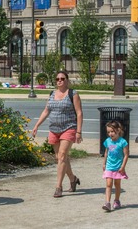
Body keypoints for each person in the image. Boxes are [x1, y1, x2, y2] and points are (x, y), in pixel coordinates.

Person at [32, 70, 83, 198]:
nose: (59, 81)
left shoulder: (73, 94)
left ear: (67, 80)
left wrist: (78, 131)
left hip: (69, 128)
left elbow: (79, 113)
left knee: (62, 156)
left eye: (62, 79)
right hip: (54, 129)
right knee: (60, 158)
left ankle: (58, 187)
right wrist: (37, 125)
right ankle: (73, 179)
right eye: (57, 79)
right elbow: (46, 111)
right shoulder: (52, 94)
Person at [102, 120, 129, 212]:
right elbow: (106, 153)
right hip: (109, 166)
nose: (110, 134)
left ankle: (117, 200)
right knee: (108, 184)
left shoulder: (123, 142)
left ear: (118, 130)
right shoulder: (107, 141)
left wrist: (123, 166)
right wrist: (104, 163)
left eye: (112, 131)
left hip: (118, 167)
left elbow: (126, 155)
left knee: (117, 184)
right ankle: (107, 202)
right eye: (108, 132)